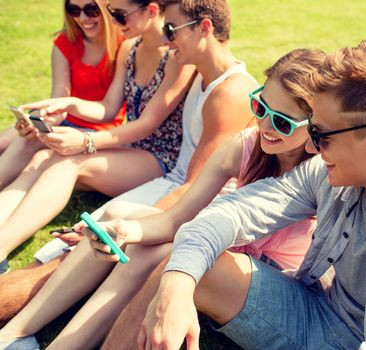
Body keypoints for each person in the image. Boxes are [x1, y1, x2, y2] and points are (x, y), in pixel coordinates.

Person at [122, 41, 366, 350]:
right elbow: (224, 217)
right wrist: (175, 285)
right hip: (315, 316)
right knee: (186, 265)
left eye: (322, 135)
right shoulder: (329, 174)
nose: (313, 147)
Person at [0, 48, 324, 350]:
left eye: (282, 121)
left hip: (267, 281)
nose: (265, 125)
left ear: (314, 127)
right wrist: (123, 230)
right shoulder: (248, 145)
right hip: (221, 248)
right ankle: (15, 333)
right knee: (119, 215)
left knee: (164, 249)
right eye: (260, 106)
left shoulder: (324, 171)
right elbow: (179, 215)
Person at [0, 0, 258, 333]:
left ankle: (19, 328)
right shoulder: (193, 67)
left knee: (94, 235)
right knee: (78, 226)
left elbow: (193, 185)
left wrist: (132, 225)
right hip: (171, 179)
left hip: (177, 185)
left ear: (203, 28)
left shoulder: (226, 91)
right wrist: (70, 106)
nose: (167, 39)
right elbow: (116, 112)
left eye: (171, 29)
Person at [0, 0, 196, 273]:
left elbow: (148, 124)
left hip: (161, 158)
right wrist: (68, 104)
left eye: (118, 15)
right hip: (133, 147)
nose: (113, 22)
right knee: (45, 154)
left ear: (152, 10)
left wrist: (85, 142)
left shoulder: (176, 57)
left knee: (69, 162)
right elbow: (108, 108)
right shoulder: (131, 47)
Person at [0, 0, 125, 191]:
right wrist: (42, 119)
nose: (83, 18)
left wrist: (68, 106)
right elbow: (59, 98)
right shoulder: (66, 42)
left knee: (30, 148)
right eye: (74, 10)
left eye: (91, 10)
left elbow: (108, 110)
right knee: (16, 139)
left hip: (100, 133)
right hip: (65, 121)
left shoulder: (124, 45)